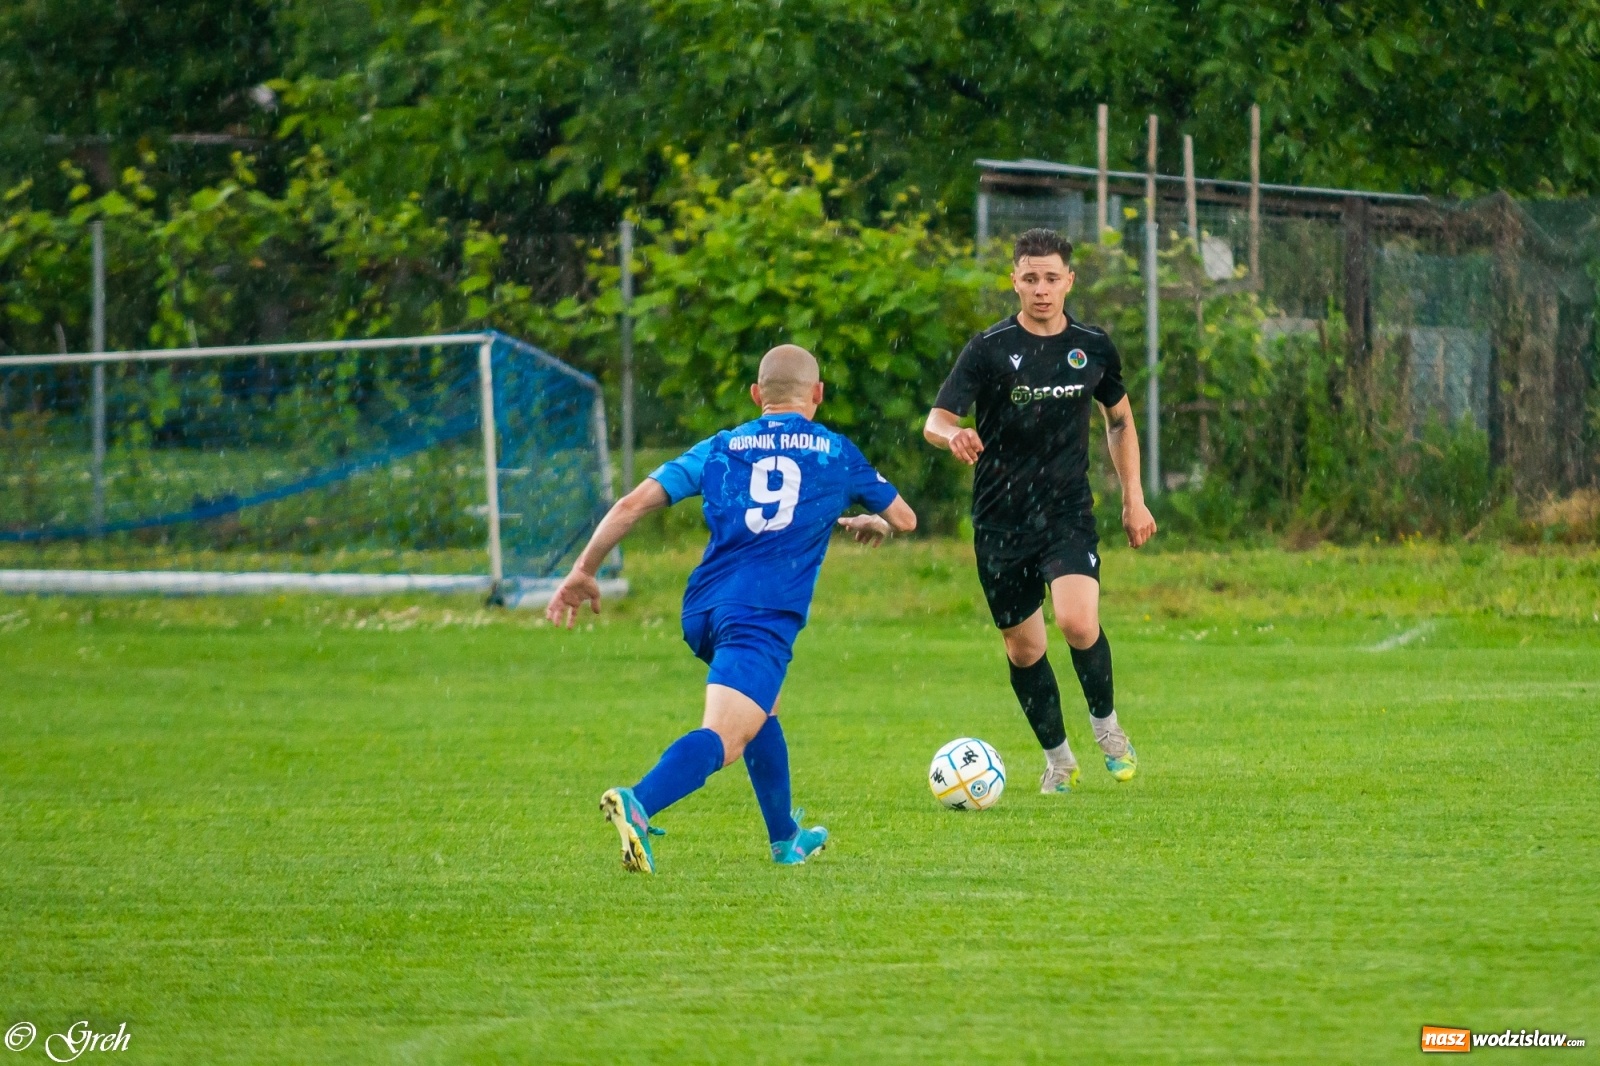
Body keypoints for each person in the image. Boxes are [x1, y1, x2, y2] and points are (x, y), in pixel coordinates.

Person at [546, 344, 917, 873]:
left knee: (764, 707)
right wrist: (873, 520)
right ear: (818, 394)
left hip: (703, 608)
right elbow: (905, 518)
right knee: (726, 735)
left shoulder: (721, 446)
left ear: (756, 395)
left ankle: (786, 838)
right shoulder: (835, 453)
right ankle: (639, 802)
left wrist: (584, 569)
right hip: (760, 616)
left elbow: (631, 505)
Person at [923, 228, 1157, 794]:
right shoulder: (989, 348)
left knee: (1078, 622)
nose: (1042, 289)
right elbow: (936, 420)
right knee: (1024, 648)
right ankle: (1060, 761)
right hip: (999, 519)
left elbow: (1120, 420)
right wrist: (953, 436)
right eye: (1030, 278)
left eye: (1052, 278)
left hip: (1065, 512)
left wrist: (1134, 497)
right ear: (1015, 281)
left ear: (1069, 281)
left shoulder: (1092, 346)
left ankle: (1108, 730)